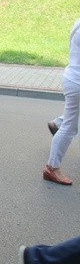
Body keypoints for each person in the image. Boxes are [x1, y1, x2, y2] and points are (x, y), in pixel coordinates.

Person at [41, 19, 80, 186]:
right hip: (77, 82)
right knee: (69, 128)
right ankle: (52, 167)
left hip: (73, 77)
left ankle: (58, 122)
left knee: (70, 121)